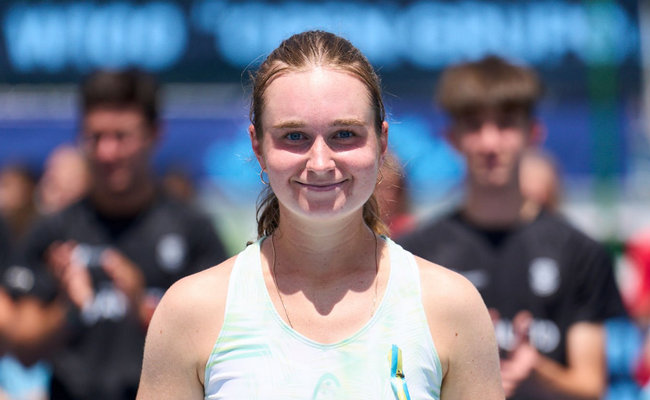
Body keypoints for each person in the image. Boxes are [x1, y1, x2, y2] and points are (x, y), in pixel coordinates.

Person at [137, 30, 503, 399]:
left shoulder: (450, 306)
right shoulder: (191, 312)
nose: (321, 163)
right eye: (294, 136)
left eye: (344, 134)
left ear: (382, 142)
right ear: (258, 147)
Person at [398, 56, 626, 399]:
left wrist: (537, 374)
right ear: (452, 138)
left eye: (506, 124)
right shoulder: (415, 254)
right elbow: (400, 375)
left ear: (533, 133)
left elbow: (592, 386)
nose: (490, 143)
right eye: (474, 126)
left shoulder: (580, 251)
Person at [6, 68, 228, 400]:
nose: (107, 152)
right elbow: (22, 350)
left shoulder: (193, 230)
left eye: (121, 137)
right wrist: (68, 309)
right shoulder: (54, 231)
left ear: (154, 134)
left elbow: (218, 347)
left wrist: (145, 308)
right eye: (96, 137)